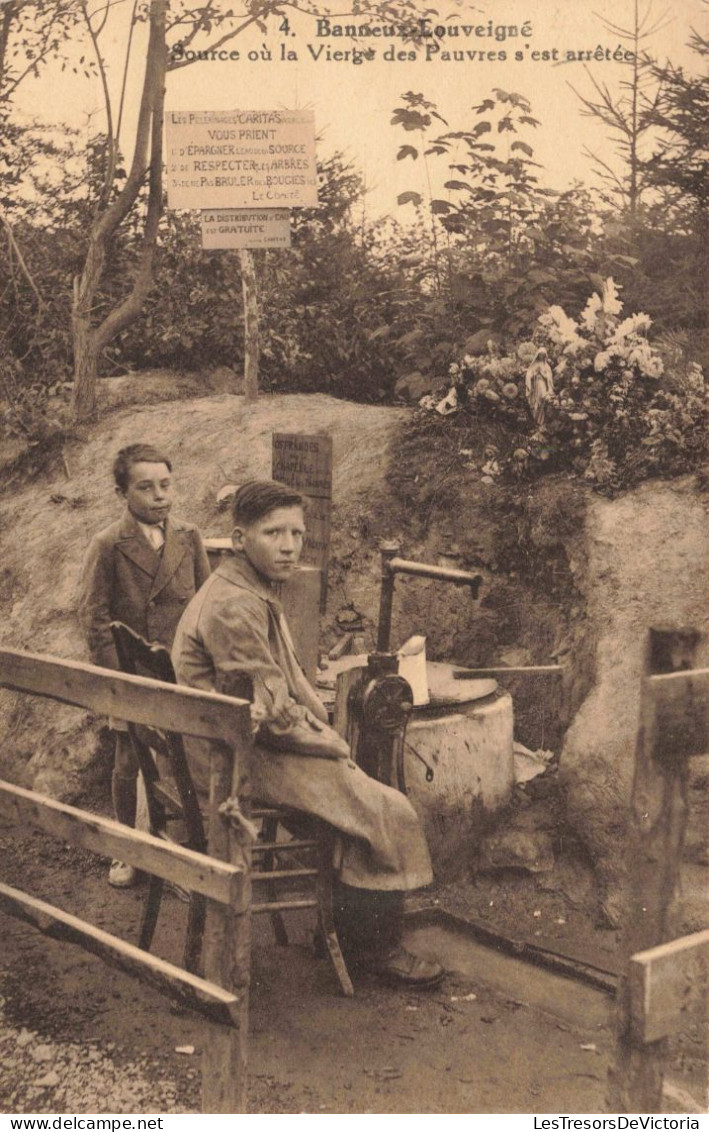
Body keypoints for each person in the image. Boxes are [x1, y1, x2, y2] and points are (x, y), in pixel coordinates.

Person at [172, 479, 444, 988]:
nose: (289, 545)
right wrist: (332, 744)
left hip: (237, 745)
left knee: (360, 795)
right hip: (235, 762)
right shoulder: (235, 605)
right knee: (389, 807)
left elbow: (279, 687)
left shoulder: (249, 589)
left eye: (297, 533)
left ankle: (343, 928)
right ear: (238, 539)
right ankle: (375, 948)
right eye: (273, 532)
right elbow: (272, 717)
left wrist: (322, 733)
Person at [78, 443, 211, 888]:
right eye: (146, 487)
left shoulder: (189, 537)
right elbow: (95, 618)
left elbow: (207, 604)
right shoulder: (109, 544)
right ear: (123, 492)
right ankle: (125, 849)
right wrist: (119, 678)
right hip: (133, 672)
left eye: (166, 485)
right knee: (129, 759)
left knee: (181, 757)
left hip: (181, 669)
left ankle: (173, 842)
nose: (159, 496)